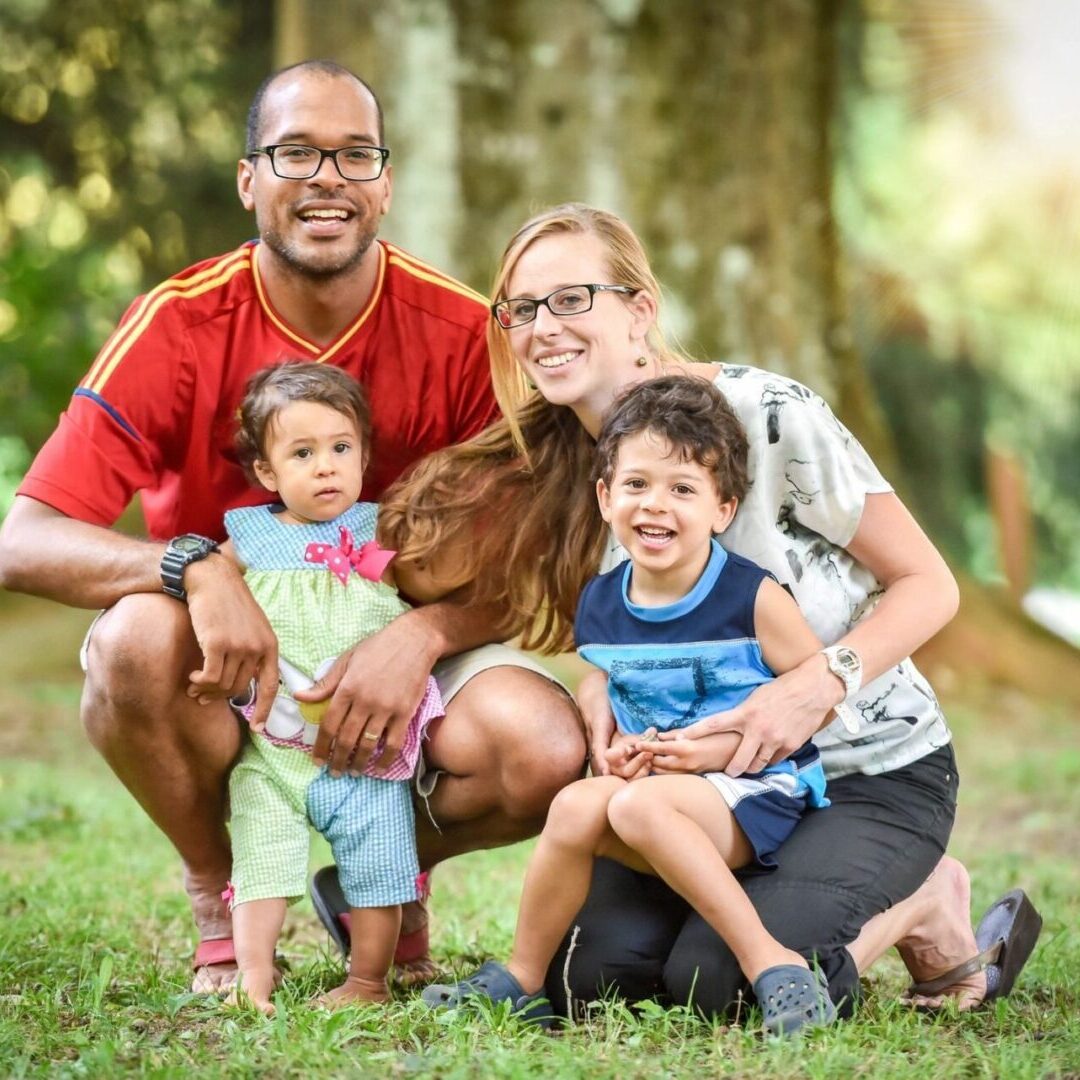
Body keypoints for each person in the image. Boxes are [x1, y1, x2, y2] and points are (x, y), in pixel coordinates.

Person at [0, 62, 585, 993]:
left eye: (355, 155)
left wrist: (421, 632)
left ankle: (383, 873)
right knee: (129, 646)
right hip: (230, 649)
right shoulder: (181, 324)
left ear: (385, 185)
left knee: (543, 748)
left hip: (407, 650)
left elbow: (534, 551)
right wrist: (198, 569)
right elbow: (22, 539)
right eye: (296, 153)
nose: (327, 178)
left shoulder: (465, 332)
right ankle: (220, 891)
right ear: (248, 180)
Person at [377, 203, 1042, 1019]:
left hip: (859, 773)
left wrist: (815, 684)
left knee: (720, 989)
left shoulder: (767, 417)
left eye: (572, 299)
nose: (543, 327)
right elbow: (613, 634)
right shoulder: (579, 478)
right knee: (593, 984)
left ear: (640, 311)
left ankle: (925, 900)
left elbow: (930, 585)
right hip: (697, 791)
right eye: (522, 308)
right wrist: (599, 702)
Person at [422, 374, 839, 1037]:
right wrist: (619, 742)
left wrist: (709, 751)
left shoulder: (752, 599)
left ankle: (771, 962)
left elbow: (814, 700)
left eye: (683, 489)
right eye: (638, 484)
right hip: (658, 791)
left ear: (722, 508)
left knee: (635, 803)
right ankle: (522, 979)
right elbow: (618, 691)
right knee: (576, 803)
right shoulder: (602, 603)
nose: (656, 506)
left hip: (754, 789)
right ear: (605, 496)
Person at [222, 361, 445, 1013]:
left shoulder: (386, 527)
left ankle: (368, 982)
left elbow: (440, 593)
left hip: (366, 746)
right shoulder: (249, 536)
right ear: (267, 472)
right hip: (273, 746)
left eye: (340, 449)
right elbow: (212, 595)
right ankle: (251, 976)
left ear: (363, 455)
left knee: (380, 861)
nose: (326, 467)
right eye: (303, 452)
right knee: (262, 854)